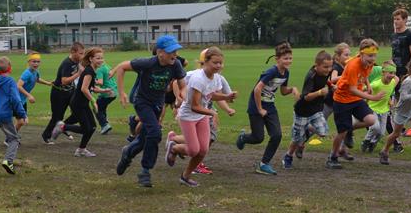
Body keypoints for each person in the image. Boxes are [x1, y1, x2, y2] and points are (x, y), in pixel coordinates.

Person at [112, 35, 187, 188]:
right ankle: (145, 171)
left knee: (146, 138)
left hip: (157, 105)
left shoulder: (176, 65)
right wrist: (122, 93)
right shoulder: (147, 63)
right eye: (171, 51)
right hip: (142, 102)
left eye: (176, 51)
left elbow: (183, 84)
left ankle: (128, 153)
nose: (175, 54)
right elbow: (122, 67)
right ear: (160, 53)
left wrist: (182, 96)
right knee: (155, 133)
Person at [165, 47, 237, 187]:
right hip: (188, 116)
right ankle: (173, 147)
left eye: (221, 63)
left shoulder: (216, 78)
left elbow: (211, 95)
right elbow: (194, 106)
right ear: (205, 62)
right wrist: (212, 113)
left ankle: (185, 177)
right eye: (215, 63)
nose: (219, 66)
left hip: (201, 115)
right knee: (193, 150)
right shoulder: (198, 79)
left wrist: (226, 96)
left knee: (203, 150)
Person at [235, 42, 299, 175]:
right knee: (258, 138)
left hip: (270, 106)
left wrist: (292, 89)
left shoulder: (285, 73)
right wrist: (259, 109)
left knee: (277, 135)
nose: (288, 61)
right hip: (256, 106)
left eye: (290, 58)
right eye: (285, 58)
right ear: (277, 59)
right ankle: (243, 138)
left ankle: (263, 164)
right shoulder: (272, 71)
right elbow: (257, 89)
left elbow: (282, 91)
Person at [327, 39, 385, 169]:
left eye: (375, 55)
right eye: (370, 55)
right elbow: (352, 89)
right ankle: (332, 157)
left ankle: (349, 130)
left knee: (371, 120)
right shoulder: (353, 65)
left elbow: (364, 75)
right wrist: (372, 97)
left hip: (355, 99)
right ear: (361, 54)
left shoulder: (369, 63)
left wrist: (368, 85)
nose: (373, 58)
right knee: (341, 132)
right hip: (342, 100)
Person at [52, 47, 109, 157]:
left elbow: (90, 87)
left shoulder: (92, 70)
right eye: (98, 58)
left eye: (102, 58)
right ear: (91, 59)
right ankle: (63, 127)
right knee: (86, 129)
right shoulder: (89, 71)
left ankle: (81, 150)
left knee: (91, 127)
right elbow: (84, 89)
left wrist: (103, 90)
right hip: (78, 104)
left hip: (82, 103)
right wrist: (93, 101)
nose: (101, 60)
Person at [282, 50, 333, 169]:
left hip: (316, 110)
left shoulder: (325, 73)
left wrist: (331, 86)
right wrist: (320, 92)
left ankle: (305, 130)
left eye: (330, 67)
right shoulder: (311, 76)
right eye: (325, 67)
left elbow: (327, 80)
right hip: (302, 112)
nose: (328, 69)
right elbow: (306, 97)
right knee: (296, 139)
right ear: (317, 65)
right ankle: (288, 156)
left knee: (323, 132)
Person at [379, 57, 411, 165]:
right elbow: (403, 97)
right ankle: (385, 151)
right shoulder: (408, 82)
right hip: (402, 111)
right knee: (396, 134)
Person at [42, 42, 85, 144]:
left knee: (77, 112)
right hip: (59, 93)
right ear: (73, 52)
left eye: (83, 53)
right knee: (57, 116)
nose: (82, 56)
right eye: (80, 53)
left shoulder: (76, 61)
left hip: (69, 91)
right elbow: (64, 81)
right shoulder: (67, 63)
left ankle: (62, 127)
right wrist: (79, 73)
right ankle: (46, 135)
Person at [390, 8, 411, 146]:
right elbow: (393, 53)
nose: (396, 22)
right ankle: (399, 128)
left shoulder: (410, 35)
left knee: (409, 99)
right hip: (394, 72)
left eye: (398, 19)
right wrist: (390, 68)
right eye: (394, 19)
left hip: (406, 72)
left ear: (405, 20)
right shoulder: (393, 35)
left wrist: (409, 71)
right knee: (396, 99)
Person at [361, 61, 399, 153]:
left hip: (384, 110)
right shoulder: (376, 84)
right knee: (375, 128)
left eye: (394, 73)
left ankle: (373, 142)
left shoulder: (393, 82)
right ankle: (366, 141)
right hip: (372, 108)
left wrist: (390, 101)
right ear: (383, 73)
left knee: (381, 133)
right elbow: (362, 89)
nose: (392, 75)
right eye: (390, 73)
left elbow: (389, 91)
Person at [16, 53, 52, 133]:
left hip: (23, 100)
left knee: (23, 121)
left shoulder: (36, 71)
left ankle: (11, 137)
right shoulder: (27, 73)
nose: (36, 64)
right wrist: (29, 95)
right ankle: (10, 137)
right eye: (34, 61)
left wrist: (48, 83)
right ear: (29, 62)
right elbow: (18, 86)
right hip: (16, 99)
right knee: (21, 121)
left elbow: (37, 79)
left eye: (38, 62)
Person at [93, 55, 118, 135]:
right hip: (114, 91)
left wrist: (90, 80)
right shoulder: (106, 66)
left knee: (96, 108)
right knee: (102, 108)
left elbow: (100, 82)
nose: (100, 60)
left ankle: (104, 125)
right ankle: (105, 124)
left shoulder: (99, 69)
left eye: (100, 58)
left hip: (107, 92)